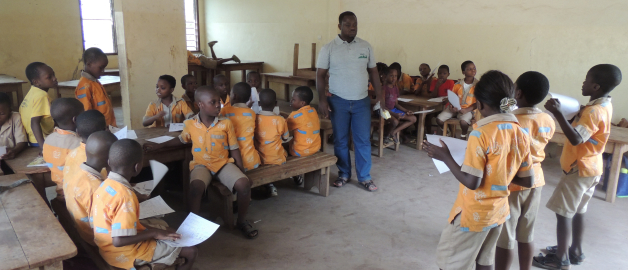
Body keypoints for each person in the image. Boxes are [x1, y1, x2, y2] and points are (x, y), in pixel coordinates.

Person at [423, 70, 534, 270]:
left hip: (473, 213)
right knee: (485, 261)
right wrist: (500, 172)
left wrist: (445, 157)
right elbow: (527, 180)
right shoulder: (521, 132)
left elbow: (472, 182)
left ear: (480, 105)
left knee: (450, 262)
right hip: (499, 211)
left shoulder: (480, 134)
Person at [533, 64, 622, 270]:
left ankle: (561, 259)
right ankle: (576, 250)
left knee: (563, 213)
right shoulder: (604, 105)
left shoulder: (593, 112)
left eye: (586, 80)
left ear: (596, 86)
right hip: (592, 167)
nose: (583, 83)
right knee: (579, 210)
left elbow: (576, 139)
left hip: (577, 169)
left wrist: (557, 113)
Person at [143, 87, 258, 239]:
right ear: (200, 105)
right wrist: (160, 145)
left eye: (219, 102)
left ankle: (242, 221)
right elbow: (181, 139)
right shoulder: (190, 124)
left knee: (244, 185)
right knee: (195, 188)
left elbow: (234, 149)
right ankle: (192, 225)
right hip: (201, 164)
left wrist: (242, 172)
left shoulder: (226, 123)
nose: (218, 105)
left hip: (223, 164)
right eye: (213, 102)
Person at [92, 139, 197, 270]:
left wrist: (154, 230)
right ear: (137, 167)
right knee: (190, 251)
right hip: (122, 253)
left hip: (105, 247)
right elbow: (119, 241)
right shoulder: (125, 196)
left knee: (167, 230)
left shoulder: (105, 184)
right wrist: (153, 233)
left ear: (108, 163)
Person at [316, 11, 383, 192]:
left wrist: (380, 97)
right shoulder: (328, 48)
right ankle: (344, 173)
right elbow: (320, 75)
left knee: (363, 140)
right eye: (348, 25)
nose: (352, 28)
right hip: (338, 101)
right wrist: (322, 99)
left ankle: (364, 177)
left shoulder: (365, 47)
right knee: (340, 140)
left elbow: (374, 72)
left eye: (355, 25)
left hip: (361, 101)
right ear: (339, 26)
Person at [494, 71, 554, 270]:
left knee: (506, 235)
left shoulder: (509, 120)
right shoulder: (548, 120)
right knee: (526, 233)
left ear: (517, 93)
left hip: (514, 181)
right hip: (536, 180)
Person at [63, 131, 117, 246]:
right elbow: (105, 227)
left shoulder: (79, 173)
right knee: (158, 224)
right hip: (95, 238)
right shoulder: (96, 188)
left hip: (83, 229)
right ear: (110, 159)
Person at [42, 98, 84, 197]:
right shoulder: (78, 142)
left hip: (60, 189)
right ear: (75, 119)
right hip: (76, 193)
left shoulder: (48, 139)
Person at [254, 89, 291, 196]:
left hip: (259, 159)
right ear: (276, 104)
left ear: (259, 104)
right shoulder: (280, 120)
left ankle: (269, 184)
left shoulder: (255, 118)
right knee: (286, 150)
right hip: (277, 159)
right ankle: (295, 176)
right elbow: (285, 138)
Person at [220, 82, 261, 171]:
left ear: (234, 96)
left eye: (230, 94)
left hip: (232, 162)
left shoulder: (224, 111)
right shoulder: (252, 113)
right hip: (252, 162)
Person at [75, 47, 116, 127]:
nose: (103, 71)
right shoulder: (84, 86)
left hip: (108, 127)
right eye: (100, 68)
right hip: (98, 129)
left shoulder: (95, 82)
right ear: (89, 64)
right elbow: (86, 114)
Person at [436, 60, 478, 139]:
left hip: (468, 110)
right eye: (469, 69)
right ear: (463, 72)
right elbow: (452, 97)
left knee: (464, 122)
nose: (473, 70)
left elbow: (478, 103)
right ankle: (448, 133)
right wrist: (452, 106)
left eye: (474, 68)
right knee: (439, 119)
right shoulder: (457, 84)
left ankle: (463, 135)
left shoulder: (478, 85)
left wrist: (466, 110)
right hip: (455, 108)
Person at [20, 62, 56, 152]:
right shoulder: (41, 95)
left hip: (33, 139)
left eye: (54, 75)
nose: (55, 78)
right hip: (42, 140)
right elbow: (34, 122)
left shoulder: (33, 91)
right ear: (36, 82)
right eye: (49, 77)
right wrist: (43, 147)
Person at [63, 110, 108, 182]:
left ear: (77, 132)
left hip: (70, 192)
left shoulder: (71, 154)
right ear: (106, 130)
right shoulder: (101, 156)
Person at [381, 67, 416, 144]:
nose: (394, 78)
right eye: (391, 76)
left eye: (395, 76)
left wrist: (406, 111)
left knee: (413, 118)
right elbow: (382, 106)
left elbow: (396, 104)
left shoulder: (395, 88)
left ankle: (393, 132)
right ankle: (386, 136)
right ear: (385, 76)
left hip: (393, 110)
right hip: (384, 111)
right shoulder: (383, 89)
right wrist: (395, 114)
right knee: (395, 122)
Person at [287, 86, 321, 158]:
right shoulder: (313, 111)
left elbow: (284, 128)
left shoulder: (295, 116)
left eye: (293, 100)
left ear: (302, 103)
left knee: (283, 144)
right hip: (315, 148)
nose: (291, 101)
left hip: (300, 151)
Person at [0, 92, 27, 161]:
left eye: (2, 114)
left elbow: (22, 141)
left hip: (12, 159)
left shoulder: (16, 117)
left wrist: (14, 151)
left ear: (10, 110)